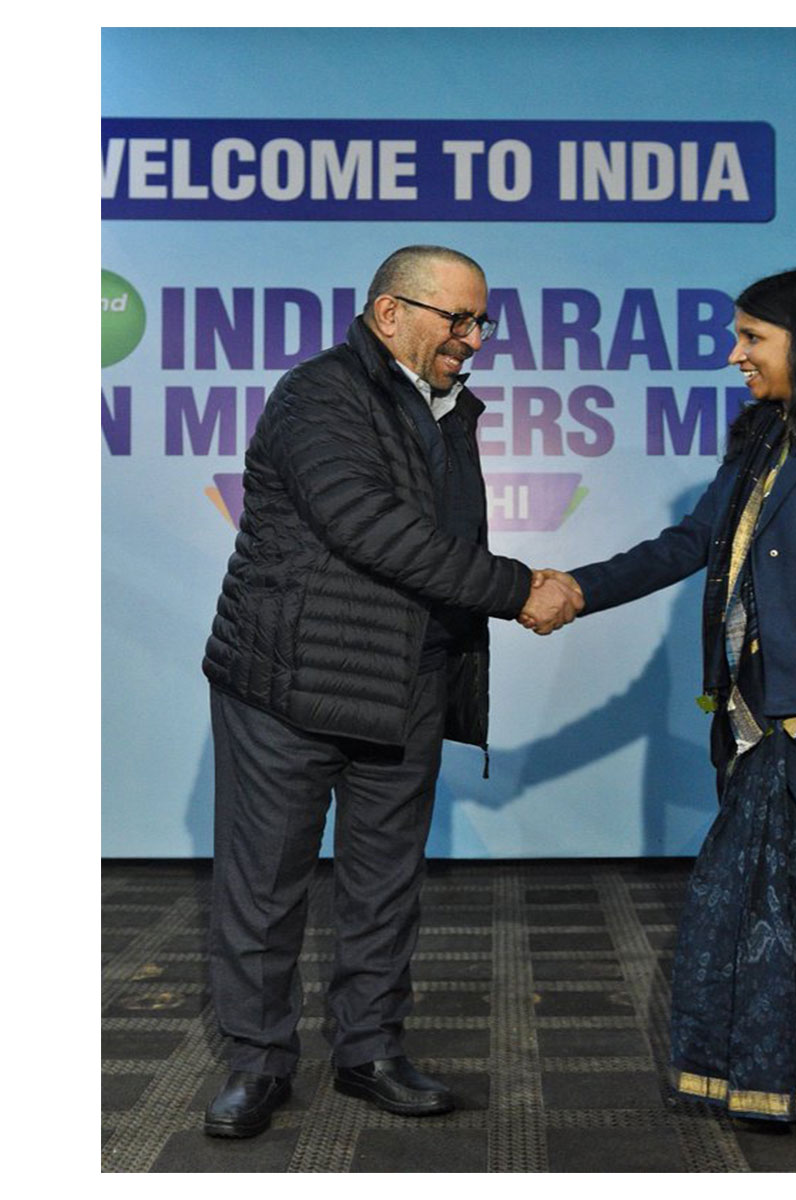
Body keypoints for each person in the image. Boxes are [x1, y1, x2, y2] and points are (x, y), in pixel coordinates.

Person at [540, 265, 796, 1138]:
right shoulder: (767, 435)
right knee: (775, 919)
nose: (734, 356)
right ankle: (785, 1079)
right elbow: (694, 541)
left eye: (751, 339)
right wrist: (575, 589)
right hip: (772, 714)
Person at [199, 245, 582, 1137]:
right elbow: (373, 529)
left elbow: (431, 544)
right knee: (265, 887)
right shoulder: (319, 396)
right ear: (388, 313)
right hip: (287, 683)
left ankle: (369, 1050)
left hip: (403, 684)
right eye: (456, 318)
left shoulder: (448, 408)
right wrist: (520, 588)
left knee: (385, 885)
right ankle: (257, 1066)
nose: (472, 337)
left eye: (481, 320)